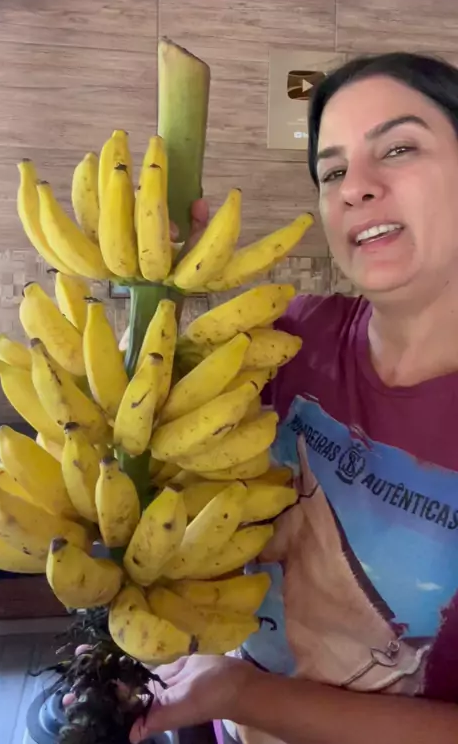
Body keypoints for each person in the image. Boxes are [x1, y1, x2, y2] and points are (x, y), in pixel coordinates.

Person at [129, 51, 458, 744]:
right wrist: (159, 295)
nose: (355, 187)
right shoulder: (292, 336)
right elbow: (161, 455)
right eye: (332, 171)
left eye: (398, 148)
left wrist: (245, 692)